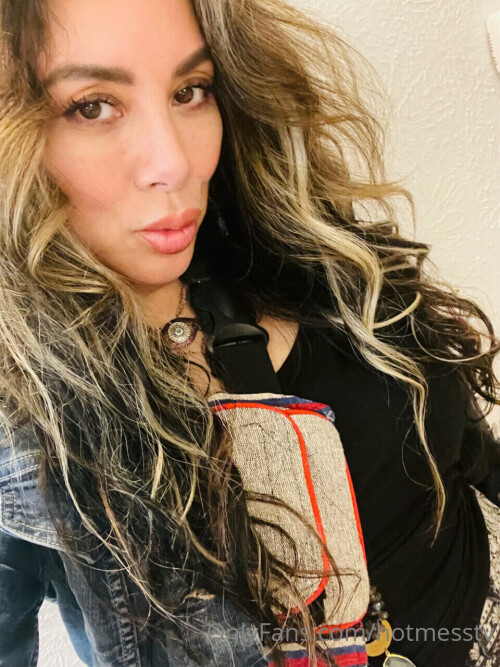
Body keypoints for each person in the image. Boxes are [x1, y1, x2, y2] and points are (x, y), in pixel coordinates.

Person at [0, 0, 498, 666]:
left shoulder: (282, 240)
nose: (175, 162)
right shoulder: (24, 419)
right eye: (91, 106)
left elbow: (466, 450)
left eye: (190, 90)